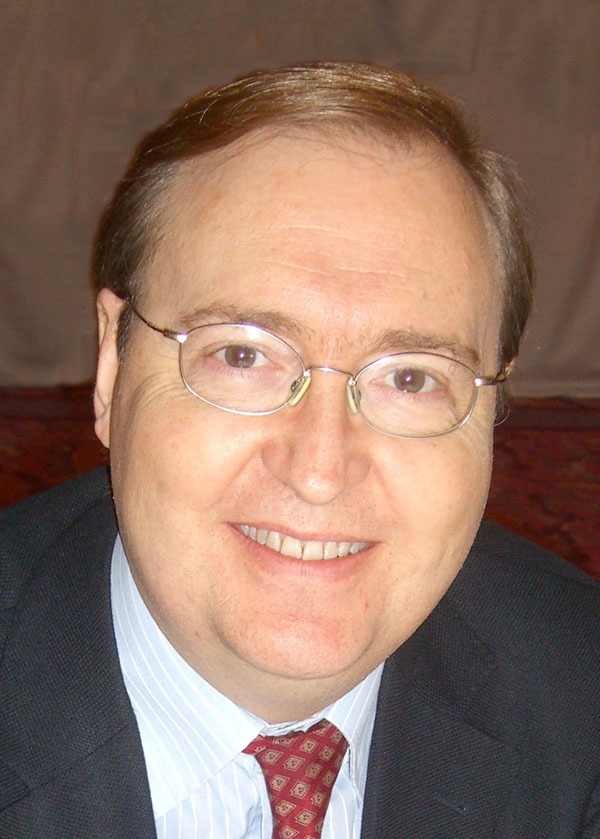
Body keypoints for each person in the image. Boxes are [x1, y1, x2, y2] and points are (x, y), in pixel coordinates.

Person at [1, 61, 599, 839]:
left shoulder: (580, 693)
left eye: (410, 377)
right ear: (113, 367)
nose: (319, 470)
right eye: (242, 354)